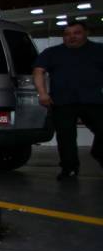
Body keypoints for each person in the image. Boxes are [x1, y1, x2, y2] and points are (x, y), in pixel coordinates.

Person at [33, 20, 103, 180]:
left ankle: (99, 152)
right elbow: (38, 71)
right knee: (66, 137)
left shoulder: (99, 50)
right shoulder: (52, 52)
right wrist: (42, 93)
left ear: (86, 33)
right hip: (62, 101)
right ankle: (69, 168)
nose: (71, 37)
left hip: (93, 100)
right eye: (67, 34)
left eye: (76, 33)